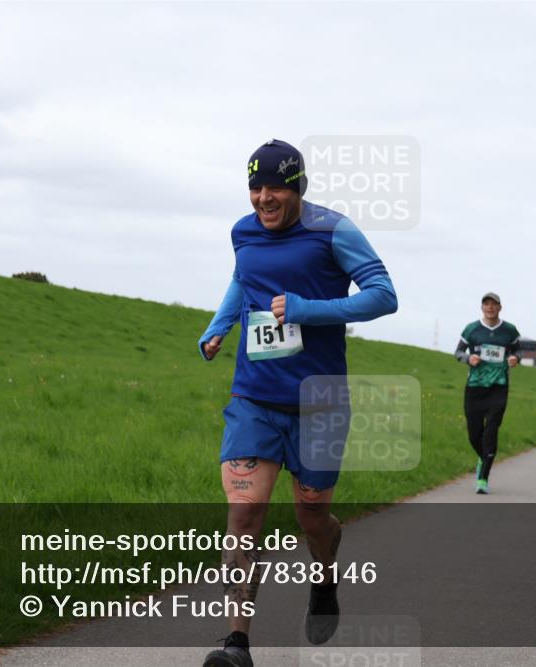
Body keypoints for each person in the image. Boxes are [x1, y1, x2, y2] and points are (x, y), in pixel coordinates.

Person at [197, 139, 398, 667]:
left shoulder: (334, 230)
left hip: (320, 403)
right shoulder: (243, 232)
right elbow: (242, 280)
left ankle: (325, 577)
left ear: (298, 187)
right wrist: (219, 327)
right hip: (254, 398)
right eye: (255, 187)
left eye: (275, 188)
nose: (264, 198)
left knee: (312, 516)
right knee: (245, 512)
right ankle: (235, 644)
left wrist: (309, 309)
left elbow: (384, 295)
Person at [454, 293, 522, 494]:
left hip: (498, 388)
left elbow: (518, 351)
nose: (490, 307)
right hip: (474, 387)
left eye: (494, 304)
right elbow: (458, 352)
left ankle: (483, 478)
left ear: (500, 307)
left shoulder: (510, 330)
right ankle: (483, 458)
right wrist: (468, 359)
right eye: (486, 304)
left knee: (491, 432)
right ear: (482, 307)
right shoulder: (471, 329)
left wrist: (516, 359)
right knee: (474, 434)